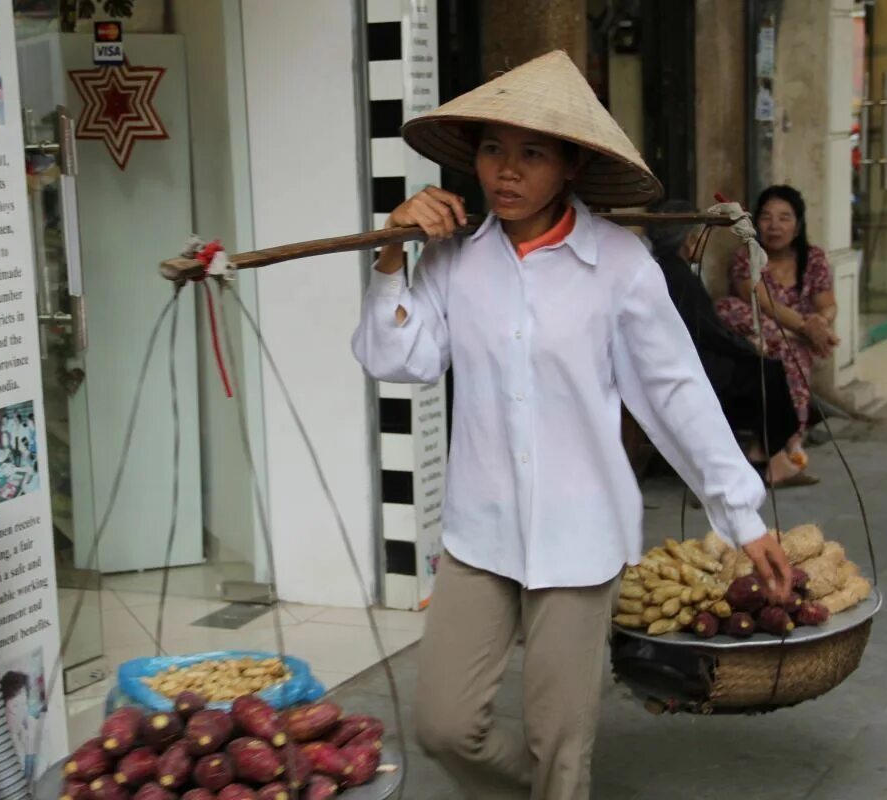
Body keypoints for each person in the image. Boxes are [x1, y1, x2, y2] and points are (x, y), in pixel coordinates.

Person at [351, 51, 794, 800]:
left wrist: (742, 515)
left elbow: (677, 395)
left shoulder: (618, 265)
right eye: (492, 148)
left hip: (579, 536)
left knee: (561, 746)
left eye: (531, 153)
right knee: (442, 725)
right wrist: (391, 250)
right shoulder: (456, 258)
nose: (506, 171)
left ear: (572, 165)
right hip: (480, 532)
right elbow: (400, 360)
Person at [645, 200, 809, 488]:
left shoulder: (664, 270)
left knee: (762, 370)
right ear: (690, 240)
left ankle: (770, 455)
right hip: (690, 366)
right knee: (767, 372)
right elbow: (710, 333)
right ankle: (769, 458)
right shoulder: (678, 276)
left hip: (682, 359)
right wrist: (748, 347)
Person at [715, 185, 839, 474]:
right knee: (726, 307)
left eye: (784, 218)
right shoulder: (747, 257)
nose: (774, 226)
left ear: (798, 226)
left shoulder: (814, 259)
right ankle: (791, 440)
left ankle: (782, 443)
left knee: (789, 352)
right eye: (767, 217)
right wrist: (806, 328)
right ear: (756, 222)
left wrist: (821, 321)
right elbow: (762, 302)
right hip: (759, 337)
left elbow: (828, 304)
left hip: (790, 343)